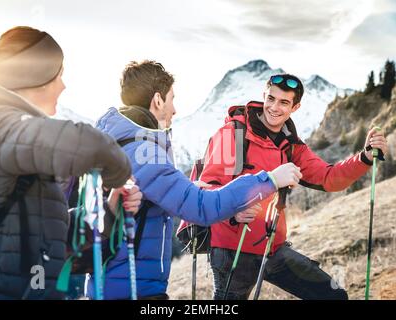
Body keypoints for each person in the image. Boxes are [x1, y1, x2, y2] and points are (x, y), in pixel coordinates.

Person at [88, 60, 301, 300]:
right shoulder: (144, 151)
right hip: (132, 289)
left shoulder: (116, 143)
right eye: (172, 99)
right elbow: (201, 208)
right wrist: (270, 179)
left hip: (109, 282)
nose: (175, 109)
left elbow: (143, 199)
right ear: (158, 100)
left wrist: (186, 188)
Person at [0, 26, 140, 300]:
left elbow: (46, 235)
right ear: (40, 77)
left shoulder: (14, 143)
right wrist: (119, 173)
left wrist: (111, 204)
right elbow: (90, 145)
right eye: (59, 75)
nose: (63, 85)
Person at [200, 73, 389, 300]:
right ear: (263, 96)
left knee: (333, 296)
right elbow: (207, 186)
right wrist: (234, 211)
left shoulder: (291, 145)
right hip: (232, 250)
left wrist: (365, 157)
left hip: (273, 247)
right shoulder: (233, 134)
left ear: (295, 107)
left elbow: (329, 178)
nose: (274, 107)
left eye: (284, 102)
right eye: (271, 98)